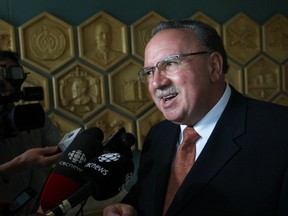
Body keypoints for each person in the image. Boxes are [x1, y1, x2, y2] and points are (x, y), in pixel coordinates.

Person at [103, 19, 288, 216]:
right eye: (149, 72)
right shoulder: (158, 135)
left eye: (171, 63)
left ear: (214, 67)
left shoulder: (280, 133)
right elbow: (149, 197)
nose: (157, 82)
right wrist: (129, 207)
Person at [0, 50, 62, 215]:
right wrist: (20, 164)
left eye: (12, 72)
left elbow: (60, 152)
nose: (7, 78)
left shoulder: (33, 117)